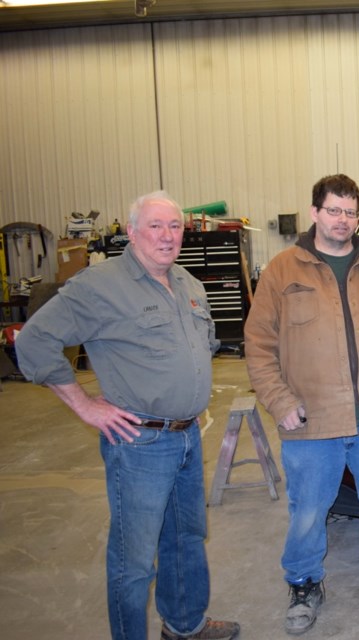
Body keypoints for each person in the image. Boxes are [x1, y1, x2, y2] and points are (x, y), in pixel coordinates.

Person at [14, 192, 239, 640]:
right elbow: (33, 341)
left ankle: (184, 625)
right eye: (155, 226)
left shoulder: (189, 284)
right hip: (139, 444)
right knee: (133, 561)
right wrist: (85, 405)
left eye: (174, 226)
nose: (167, 235)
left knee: (186, 541)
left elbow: (203, 347)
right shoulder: (100, 286)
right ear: (132, 232)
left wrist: (189, 403)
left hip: (187, 437)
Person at [244, 173, 359, 635]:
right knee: (307, 509)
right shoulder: (283, 272)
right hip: (310, 420)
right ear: (314, 213)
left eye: (350, 212)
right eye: (333, 211)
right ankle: (304, 582)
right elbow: (258, 343)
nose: (342, 220)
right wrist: (278, 400)